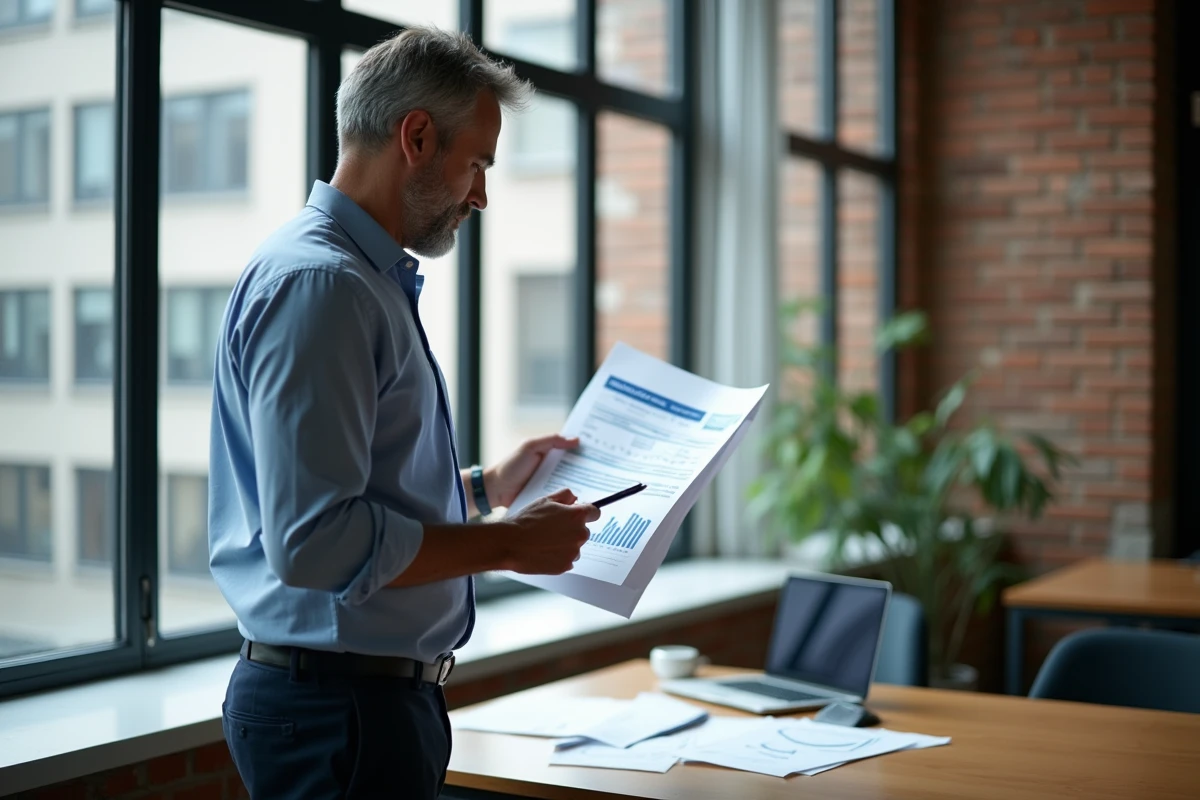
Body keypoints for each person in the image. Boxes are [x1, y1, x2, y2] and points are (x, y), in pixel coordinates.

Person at [208, 26, 600, 799]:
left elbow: (355, 492)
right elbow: (315, 541)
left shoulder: (353, 278)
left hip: (352, 706)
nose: (482, 194)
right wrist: (507, 549)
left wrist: (486, 488)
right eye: (478, 163)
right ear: (416, 136)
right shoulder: (325, 288)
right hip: (341, 714)